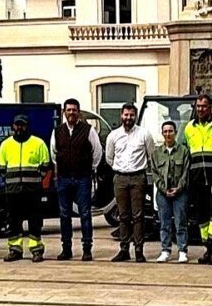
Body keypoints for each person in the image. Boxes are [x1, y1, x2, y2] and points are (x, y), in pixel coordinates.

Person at [51, 98, 101, 261]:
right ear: (64, 112)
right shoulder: (57, 131)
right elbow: (54, 154)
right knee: (64, 214)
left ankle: (87, 249)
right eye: (69, 110)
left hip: (82, 179)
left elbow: (97, 151)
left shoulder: (88, 130)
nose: (71, 113)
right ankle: (66, 249)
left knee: (85, 214)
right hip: (64, 179)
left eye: (74, 110)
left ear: (79, 112)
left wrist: (90, 168)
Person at [104, 103, 154, 263]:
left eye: (131, 115)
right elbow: (109, 157)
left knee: (138, 216)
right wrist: (120, 169)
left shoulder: (144, 134)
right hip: (120, 178)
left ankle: (139, 250)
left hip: (138, 177)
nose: (128, 118)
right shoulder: (113, 136)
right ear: (121, 115)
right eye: (126, 114)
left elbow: (151, 155)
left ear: (135, 116)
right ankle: (124, 249)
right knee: (123, 215)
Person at [0, 114, 52, 262]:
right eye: (17, 125)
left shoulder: (38, 143)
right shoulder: (6, 145)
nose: (19, 128)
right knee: (13, 221)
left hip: (33, 191)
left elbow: (45, 165)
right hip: (13, 191)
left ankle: (36, 250)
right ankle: (15, 250)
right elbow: (2, 168)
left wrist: (35, 180)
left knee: (35, 221)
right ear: (13, 126)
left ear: (27, 126)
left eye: (22, 125)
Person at [183, 94, 212, 264]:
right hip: (197, 180)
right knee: (202, 218)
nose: (200, 109)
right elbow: (187, 151)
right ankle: (207, 248)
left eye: (204, 106)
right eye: (198, 106)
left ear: (210, 108)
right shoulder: (189, 128)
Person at [148, 120, 190, 263]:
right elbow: (155, 173)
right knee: (164, 224)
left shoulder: (183, 151)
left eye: (170, 131)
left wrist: (178, 188)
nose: (168, 134)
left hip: (180, 193)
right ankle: (165, 250)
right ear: (162, 133)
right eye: (165, 131)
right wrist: (163, 189)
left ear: (175, 133)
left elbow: (186, 172)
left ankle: (182, 250)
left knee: (181, 222)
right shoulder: (156, 153)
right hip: (163, 194)